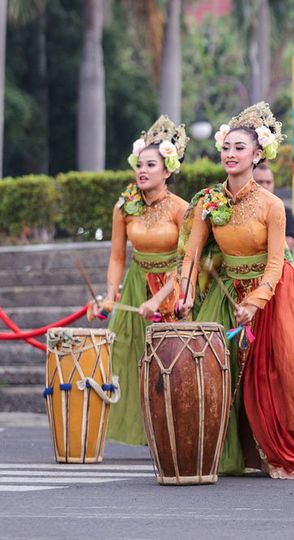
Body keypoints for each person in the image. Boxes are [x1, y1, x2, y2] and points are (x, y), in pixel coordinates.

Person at [177, 102, 294, 479]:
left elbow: (277, 262)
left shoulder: (272, 206)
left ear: (257, 154)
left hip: (271, 293)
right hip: (226, 290)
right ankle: (229, 451)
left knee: (282, 372)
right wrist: (183, 295)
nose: (230, 154)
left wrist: (256, 301)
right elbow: (191, 256)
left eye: (239, 148)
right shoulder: (208, 202)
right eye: (226, 147)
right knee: (217, 370)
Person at [88, 116, 189, 446]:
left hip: (173, 287)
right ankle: (147, 430)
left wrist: (159, 299)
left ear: (168, 171)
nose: (142, 171)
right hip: (136, 282)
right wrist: (110, 294)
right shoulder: (124, 207)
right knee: (129, 357)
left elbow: (187, 262)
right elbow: (117, 257)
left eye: (151, 165)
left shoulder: (180, 209)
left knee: (174, 360)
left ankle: (176, 429)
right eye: (139, 165)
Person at [253, 162, 294, 253]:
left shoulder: (285, 211)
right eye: (260, 182)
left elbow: (290, 242)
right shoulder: (241, 208)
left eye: (268, 182)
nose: (265, 186)